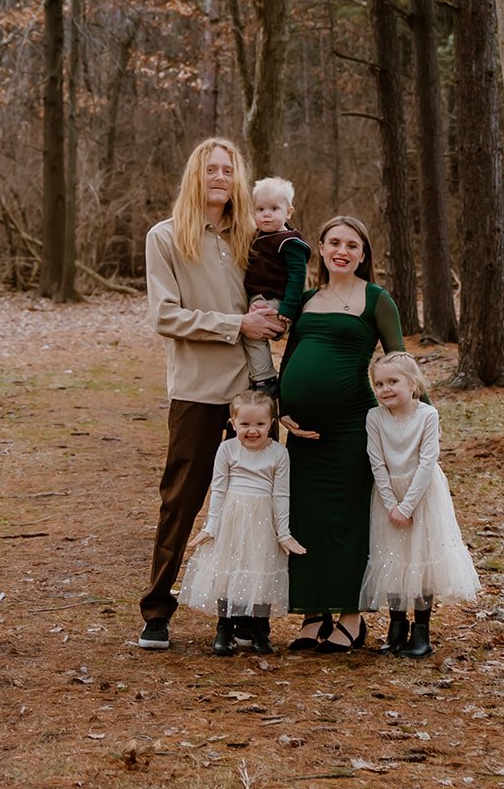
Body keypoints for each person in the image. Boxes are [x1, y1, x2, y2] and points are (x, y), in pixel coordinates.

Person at [138, 138, 283, 652]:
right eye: (210, 169)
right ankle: (156, 611)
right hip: (199, 389)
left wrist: (273, 317)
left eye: (228, 170)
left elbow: (271, 294)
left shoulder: (254, 234)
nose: (219, 176)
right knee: (181, 500)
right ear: (195, 176)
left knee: (257, 502)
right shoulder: (166, 238)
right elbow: (164, 315)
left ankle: (246, 613)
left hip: (253, 394)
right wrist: (235, 323)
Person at [278, 214, 407, 652]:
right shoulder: (307, 300)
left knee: (347, 519)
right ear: (320, 247)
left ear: (364, 255)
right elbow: (290, 356)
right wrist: (281, 406)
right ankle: (314, 614)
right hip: (304, 434)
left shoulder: (376, 299)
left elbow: (400, 365)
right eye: (334, 242)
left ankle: (351, 618)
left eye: (352, 245)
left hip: (353, 426)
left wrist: (415, 422)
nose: (342, 251)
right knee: (305, 517)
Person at [360, 352, 481, 658]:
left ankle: (421, 631)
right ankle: (396, 626)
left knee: (421, 558)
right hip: (388, 496)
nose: (385, 389)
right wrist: (392, 504)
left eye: (393, 381)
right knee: (394, 557)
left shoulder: (427, 415)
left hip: (423, 494)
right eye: (379, 383)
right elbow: (377, 463)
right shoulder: (374, 418)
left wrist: (408, 506)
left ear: (412, 384)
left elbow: (428, 463)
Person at [178, 388, 306, 655]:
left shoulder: (279, 454)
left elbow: (281, 494)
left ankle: (261, 630)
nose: (252, 430)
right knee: (228, 569)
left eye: (260, 424)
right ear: (232, 422)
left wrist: (283, 533)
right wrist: (211, 526)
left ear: (271, 424)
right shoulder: (227, 450)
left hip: (264, 521)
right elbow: (219, 489)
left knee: (260, 571)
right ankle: (225, 629)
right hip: (233, 519)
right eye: (245, 424)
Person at [243, 177, 311, 394]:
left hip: (275, 297)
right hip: (257, 295)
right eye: (260, 209)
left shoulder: (289, 242)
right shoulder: (257, 236)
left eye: (274, 208)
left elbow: (297, 276)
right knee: (249, 332)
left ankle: (265, 379)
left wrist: (288, 308)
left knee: (253, 333)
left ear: (288, 212)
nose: (266, 214)